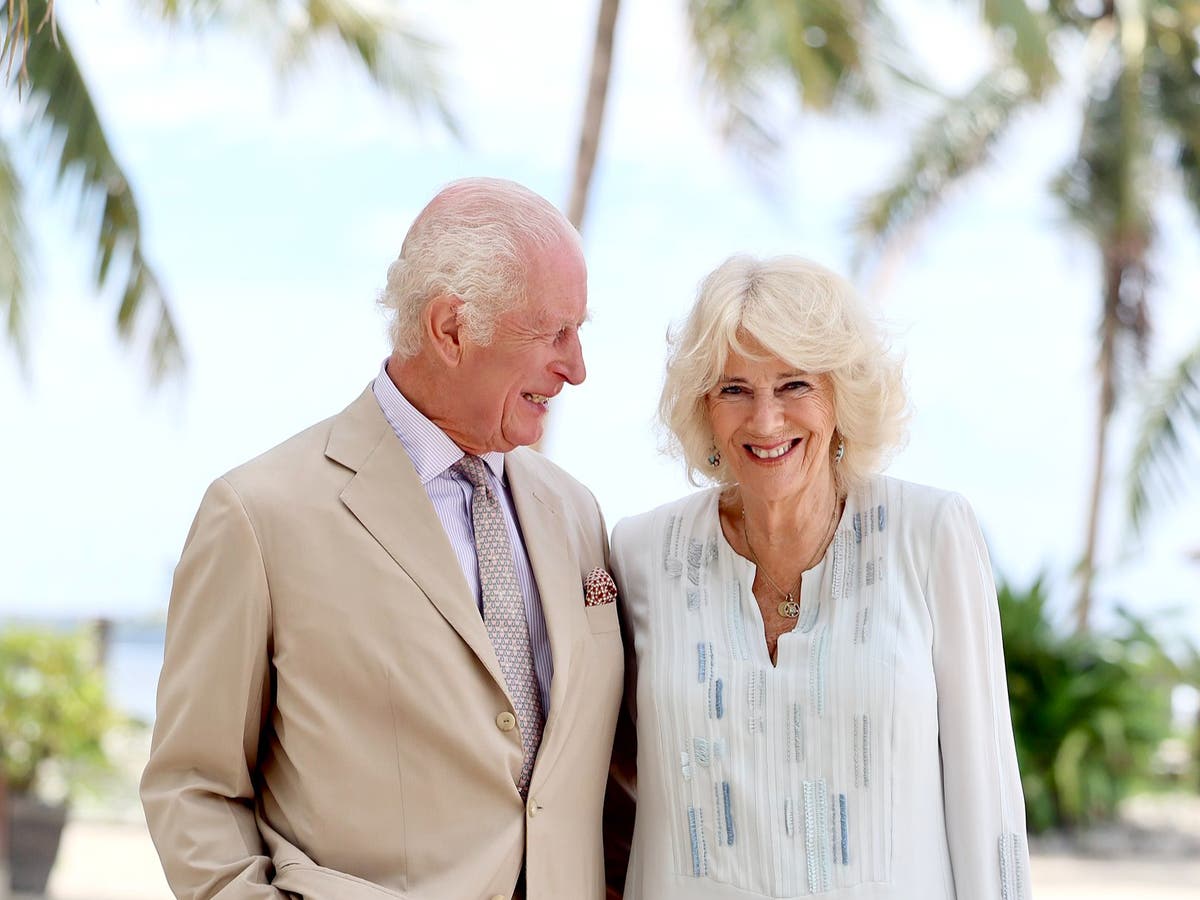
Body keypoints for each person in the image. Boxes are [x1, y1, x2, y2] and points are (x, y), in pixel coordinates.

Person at [141, 177, 625, 900]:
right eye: (554, 332)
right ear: (451, 327)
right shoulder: (259, 516)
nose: (577, 368)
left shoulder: (575, 512)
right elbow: (193, 786)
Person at [609, 254, 1031, 899]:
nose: (766, 420)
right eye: (734, 389)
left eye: (795, 385)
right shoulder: (642, 553)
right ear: (705, 407)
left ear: (841, 394)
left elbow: (987, 799)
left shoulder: (929, 533)